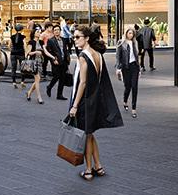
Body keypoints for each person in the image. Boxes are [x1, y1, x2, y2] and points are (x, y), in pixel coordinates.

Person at [68, 23, 123, 180]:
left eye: (77, 37)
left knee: (86, 134)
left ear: (86, 38)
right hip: (95, 99)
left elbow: (83, 83)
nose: (75, 40)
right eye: (73, 37)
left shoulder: (83, 56)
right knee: (90, 134)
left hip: (85, 100)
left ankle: (88, 170)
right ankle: (98, 166)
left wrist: (74, 105)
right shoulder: (98, 54)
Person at [115, 25, 141, 118]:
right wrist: (118, 68)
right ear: (126, 33)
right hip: (125, 68)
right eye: (129, 33)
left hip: (134, 66)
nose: (131, 35)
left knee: (135, 87)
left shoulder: (135, 42)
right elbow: (118, 57)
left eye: (132, 33)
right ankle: (125, 101)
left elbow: (137, 56)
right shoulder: (121, 43)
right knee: (128, 87)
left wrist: (139, 68)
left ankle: (134, 109)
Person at [43, 23, 69, 100]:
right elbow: (48, 52)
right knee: (57, 76)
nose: (57, 31)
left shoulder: (64, 40)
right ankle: (49, 86)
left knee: (62, 78)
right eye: (55, 30)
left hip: (64, 61)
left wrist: (68, 58)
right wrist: (53, 59)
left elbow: (65, 50)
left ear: (60, 31)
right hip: (56, 61)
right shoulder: (51, 41)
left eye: (58, 30)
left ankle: (59, 95)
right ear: (53, 32)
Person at [24, 25, 45, 104]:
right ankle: (39, 97)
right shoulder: (31, 42)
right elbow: (28, 53)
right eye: (37, 32)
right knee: (38, 78)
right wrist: (36, 52)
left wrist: (52, 57)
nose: (39, 33)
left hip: (40, 62)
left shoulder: (41, 42)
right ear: (33, 33)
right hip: (34, 63)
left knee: (37, 80)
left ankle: (29, 93)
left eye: (40, 32)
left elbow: (45, 51)